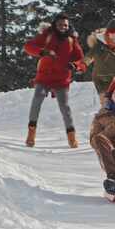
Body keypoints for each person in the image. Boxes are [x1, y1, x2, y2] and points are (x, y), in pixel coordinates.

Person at [23, 13, 86, 148]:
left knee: (65, 107)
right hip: (44, 76)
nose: (63, 27)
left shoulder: (71, 40)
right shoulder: (47, 35)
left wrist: (75, 65)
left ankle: (71, 137)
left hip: (61, 79)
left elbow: (81, 59)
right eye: (60, 25)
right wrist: (42, 52)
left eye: (65, 25)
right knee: (37, 101)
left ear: (68, 26)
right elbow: (28, 46)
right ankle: (31, 133)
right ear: (54, 25)